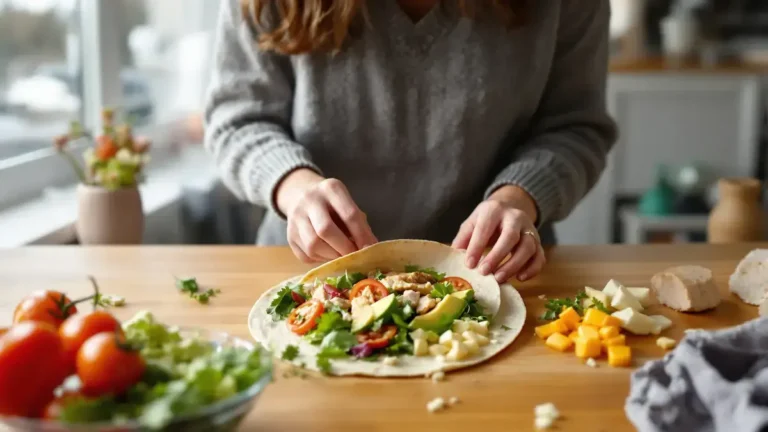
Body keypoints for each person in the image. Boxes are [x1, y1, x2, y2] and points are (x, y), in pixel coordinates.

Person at [204, 0, 617, 283]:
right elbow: (238, 120)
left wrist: (517, 200)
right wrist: (295, 190)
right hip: (306, 272)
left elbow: (576, 126)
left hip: (498, 277)